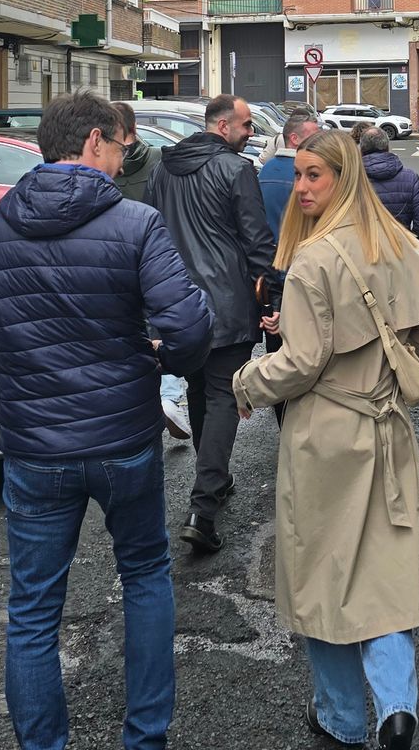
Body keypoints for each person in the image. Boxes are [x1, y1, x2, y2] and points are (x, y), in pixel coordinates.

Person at [0, 93, 214, 750]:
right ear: (95, 141)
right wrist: (160, 361)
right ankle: (144, 739)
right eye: (123, 148)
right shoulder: (136, 224)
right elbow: (188, 328)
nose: (125, 161)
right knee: (145, 576)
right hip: (123, 438)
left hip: (35, 447)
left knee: (33, 609)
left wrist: (32, 364)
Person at [233, 130, 419, 750]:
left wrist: (246, 382)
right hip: (387, 427)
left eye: (313, 175)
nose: (300, 187)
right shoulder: (402, 244)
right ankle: (396, 707)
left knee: (321, 577)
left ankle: (343, 717)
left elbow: (300, 362)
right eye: (298, 174)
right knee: (385, 573)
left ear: (342, 177)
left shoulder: (313, 259)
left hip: (325, 434)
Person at [146, 94, 279, 554]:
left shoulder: (162, 170)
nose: (250, 133)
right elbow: (257, 240)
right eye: (246, 125)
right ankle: (203, 508)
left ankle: (214, 481)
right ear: (223, 126)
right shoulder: (236, 170)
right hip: (227, 302)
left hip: (177, 303)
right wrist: (272, 298)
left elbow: (151, 235)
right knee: (224, 394)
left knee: (200, 388)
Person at [109, 104, 191, 444]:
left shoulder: (102, 167)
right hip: (156, 254)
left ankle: (142, 397)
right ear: (134, 129)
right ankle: (167, 396)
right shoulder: (159, 159)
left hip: (115, 260)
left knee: (129, 327)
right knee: (161, 324)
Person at [359, 126, 419, 242]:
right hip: (400, 247)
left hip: (364, 248)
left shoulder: (352, 180)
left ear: (361, 149)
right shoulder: (410, 178)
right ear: (387, 146)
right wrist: (410, 245)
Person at [260, 106, 322, 234]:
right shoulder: (311, 174)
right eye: (314, 137)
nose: (320, 142)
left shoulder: (265, 170)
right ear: (294, 139)